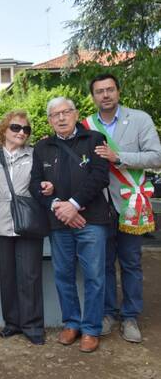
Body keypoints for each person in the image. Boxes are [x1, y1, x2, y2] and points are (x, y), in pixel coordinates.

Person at [83, 73, 161, 343]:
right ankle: (107, 313)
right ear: (92, 97)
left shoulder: (140, 119)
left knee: (131, 263)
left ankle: (130, 317)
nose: (105, 95)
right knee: (102, 264)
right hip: (99, 207)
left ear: (118, 91)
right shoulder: (87, 126)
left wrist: (119, 157)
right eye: (99, 91)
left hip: (130, 204)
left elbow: (156, 156)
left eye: (110, 90)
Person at [30, 97, 110, 353]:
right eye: (55, 114)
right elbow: (35, 184)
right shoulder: (42, 147)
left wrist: (73, 204)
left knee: (94, 276)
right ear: (49, 120)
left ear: (76, 114)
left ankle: (91, 329)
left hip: (91, 220)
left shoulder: (94, 140)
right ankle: (72, 323)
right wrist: (56, 204)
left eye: (66, 112)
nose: (61, 118)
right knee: (63, 275)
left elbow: (99, 177)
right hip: (58, 222)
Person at [0, 110, 47, 345]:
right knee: (6, 275)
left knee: (30, 275)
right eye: (16, 127)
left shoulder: (35, 154)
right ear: (4, 129)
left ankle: (33, 325)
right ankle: (13, 323)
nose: (21, 133)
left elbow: (41, 183)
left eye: (26, 129)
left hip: (28, 220)